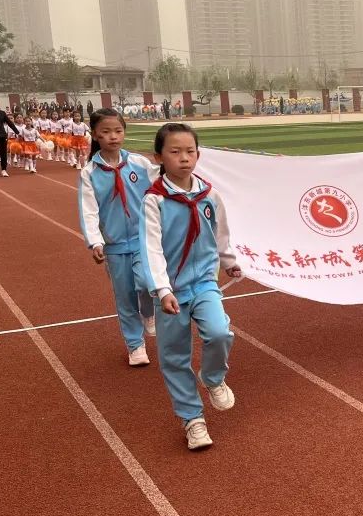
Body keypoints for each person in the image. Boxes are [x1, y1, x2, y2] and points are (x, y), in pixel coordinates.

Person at [140, 122, 241, 450]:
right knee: (174, 357)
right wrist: (163, 289)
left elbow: (220, 233)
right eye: (175, 151)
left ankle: (212, 378)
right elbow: (151, 247)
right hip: (170, 291)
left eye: (190, 151)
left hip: (203, 283)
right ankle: (192, 419)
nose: (184, 158)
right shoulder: (154, 201)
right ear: (159, 156)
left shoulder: (209, 194)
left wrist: (229, 261)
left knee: (220, 332)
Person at [78, 108, 158, 366]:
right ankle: (135, 346)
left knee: (147, 283)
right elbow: (88, 210)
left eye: (118, 130)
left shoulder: (140, 164)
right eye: (106, 132)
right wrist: (95, 241)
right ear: (95, 135)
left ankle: (148, 311)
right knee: (124, 296)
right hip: (114, 246)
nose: (113, 136)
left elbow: (166, 182)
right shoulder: (90, 173)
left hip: (143, 239)